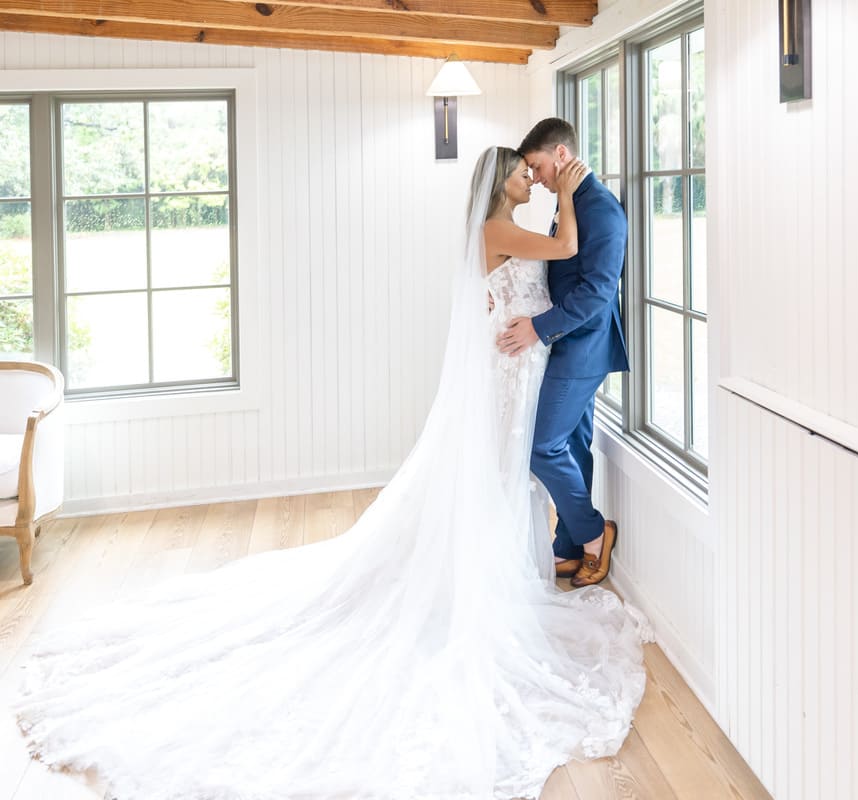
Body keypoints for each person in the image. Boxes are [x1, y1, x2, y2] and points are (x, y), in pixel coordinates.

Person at [10, 146, 651, 800]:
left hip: (517, 370)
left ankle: (525, 559)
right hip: (509, 373)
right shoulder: (499, 230)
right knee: (496, 478)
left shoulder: (503, 231)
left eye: (532, 170)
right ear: (501, 184)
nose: (529, 178)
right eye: (522, 172)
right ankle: (493, 574)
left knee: (505, 478)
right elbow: (569, 245)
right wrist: (570, 192)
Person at [496, 118, 629, 589]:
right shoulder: (572, 203)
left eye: (536, 166)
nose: (536, 177)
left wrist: (538, 328)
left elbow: (596, 294)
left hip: (582, 349)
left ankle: (595, 534)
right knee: (571, 444)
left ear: (560, 156)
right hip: (564, 346)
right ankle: (569, 546)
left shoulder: (603, 211)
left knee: (541, 446)